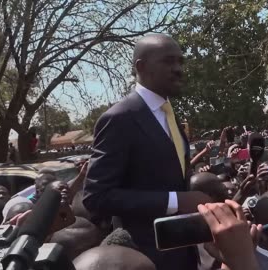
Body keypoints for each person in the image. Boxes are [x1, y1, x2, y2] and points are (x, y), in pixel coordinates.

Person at [83, 33, 212, 270]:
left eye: (180, 62)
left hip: (183, 254)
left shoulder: (169, 116)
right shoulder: (119, 118)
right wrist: (176, 201)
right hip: (143, 259)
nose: (178, 69)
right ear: (141, 67)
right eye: (168, 61)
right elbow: (96, 197)